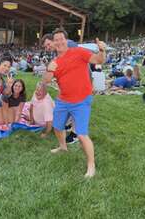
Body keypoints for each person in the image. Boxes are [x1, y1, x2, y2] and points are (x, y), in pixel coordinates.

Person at [42, 28, 106, 178]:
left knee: (82, 135)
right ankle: (63, 147)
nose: (58, 42)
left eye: (61, 39)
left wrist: (102, 50)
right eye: (56, 40)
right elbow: (45, 81)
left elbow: (98, 60)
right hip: (63, 100)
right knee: (57, 127)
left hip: (81, 101)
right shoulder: (54, 61)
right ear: (54, 42)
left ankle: (91, 165)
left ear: (66, 40)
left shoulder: (78, 52)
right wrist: (48, 70)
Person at [42, 32, 78, 144]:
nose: (48, 48)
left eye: (48, 44)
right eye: (45, 46)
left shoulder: (68, 44)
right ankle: (68, 124)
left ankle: (75, 133)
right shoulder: (57, 52)